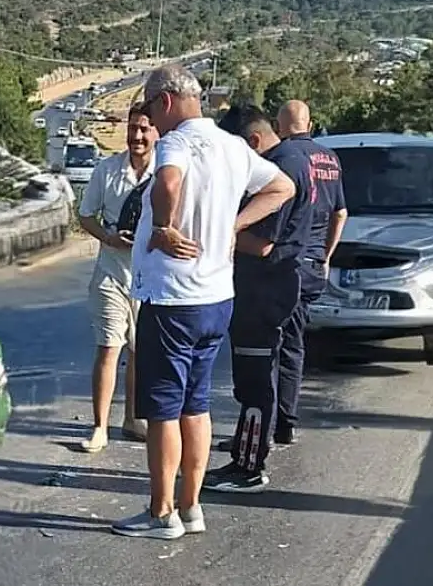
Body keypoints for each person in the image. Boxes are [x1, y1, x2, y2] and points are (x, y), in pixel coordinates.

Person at [110, 65, 296, 539]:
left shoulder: (177, 143)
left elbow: (168, 183)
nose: (150, 120)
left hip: (172, 298)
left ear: (166, 102)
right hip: (217, 296)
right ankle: (191, 507)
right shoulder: (233, 145)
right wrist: (233, 226)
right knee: (196, 406)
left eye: (151, 109)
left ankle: (160, 513)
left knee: (163, 412)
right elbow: (282, 188)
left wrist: (167, 228)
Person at [202, 104, 313, 493]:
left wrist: (211, 238)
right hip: (270, 286)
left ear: (252, 141)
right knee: (254, 379)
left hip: (266, 288)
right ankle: (248, 451)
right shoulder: (293, 158)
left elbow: (262, 243)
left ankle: (249, 466)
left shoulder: (282, 167)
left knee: (253, 383)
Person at [76, 101, 159, 452]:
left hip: (149, 278)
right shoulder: (107, 170)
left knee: (142, 352)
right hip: (111, 273)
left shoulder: (168, 172)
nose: (137, 136)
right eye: (133, 128)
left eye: (144, 129)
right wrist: (109, 238)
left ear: (156, 133)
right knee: (109, 349)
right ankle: (99, 427)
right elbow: (85, 215)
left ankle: (133, 419)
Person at [272, 99, 347, 445]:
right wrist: (327, 255)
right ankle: (283, 420)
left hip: (285, 262)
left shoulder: (285, 158)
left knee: (266, 345)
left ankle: (266, 422)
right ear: (310, 123)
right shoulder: (330, 158)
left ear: (279, 125)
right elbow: (340, 213)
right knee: (293, 343)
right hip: (314, 263)